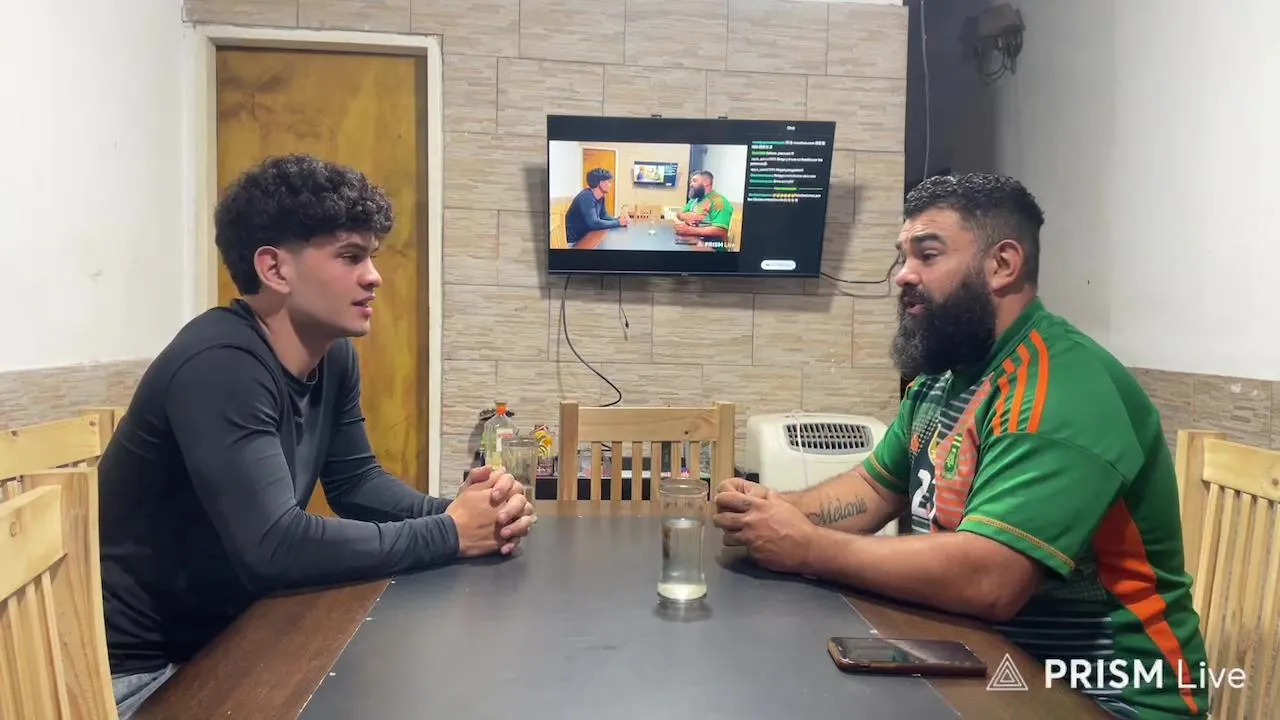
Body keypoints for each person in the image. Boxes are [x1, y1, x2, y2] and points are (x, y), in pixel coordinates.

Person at [711, 173, 1209, 719]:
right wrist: (772, 513)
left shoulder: (1059, 388)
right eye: (902, 256)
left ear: (1002, 264)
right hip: (983, 666)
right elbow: (872, 489)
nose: (903, 275)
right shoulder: (942, 379)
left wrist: (807, 547)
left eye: (927, 255)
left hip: (1108, 701)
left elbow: (991, 579)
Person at [97, 154, 536, 718]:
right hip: (140, 675)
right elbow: (275, 546)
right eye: (350, 257)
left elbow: (356, 483)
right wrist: (450, 532)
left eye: (371, 257)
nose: (374, 276)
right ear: (275, 269)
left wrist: (468, 511)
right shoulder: (220, 364)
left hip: (232, 636)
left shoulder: (333, 357)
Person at [564, 167, 629, 245]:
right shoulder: (586, 197)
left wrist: (618, 219)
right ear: (601, 183)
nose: (610, 185)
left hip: (587, 236)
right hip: (574, 242)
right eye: (608, 182)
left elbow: (604, 216)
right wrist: (618, 223)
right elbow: (594, 223)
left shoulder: (601, 197)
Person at [673, 170, 732, 244]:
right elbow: (679, 213)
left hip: (711, 246)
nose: (690, 184)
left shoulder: (718, 201)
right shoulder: (694, 199)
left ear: (706, 182)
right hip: (694, 240)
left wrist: (689, 230)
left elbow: (721, 231)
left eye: (694, 181)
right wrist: (685, 217)